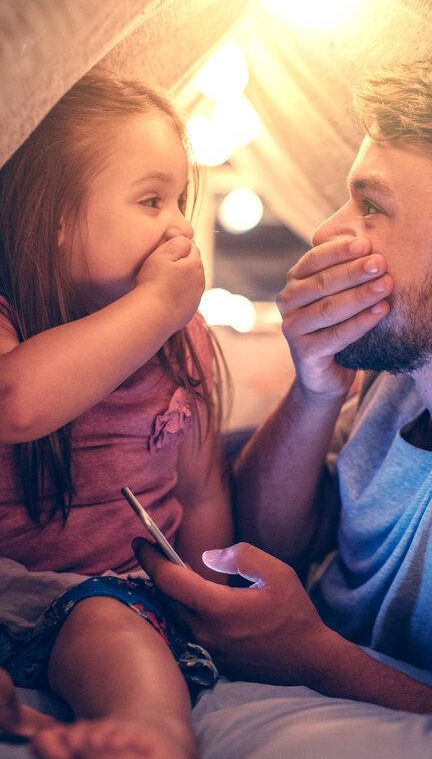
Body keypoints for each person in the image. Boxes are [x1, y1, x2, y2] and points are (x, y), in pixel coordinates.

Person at [135, 54, 432, 740]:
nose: (327, 230)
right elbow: (276, 539)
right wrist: (316, 389)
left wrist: (311, 656)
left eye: (371, 205)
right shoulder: (408, 362)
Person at [0, 70, 233, 758]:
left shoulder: (183, 342)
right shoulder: (9, 319)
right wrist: (157, 304)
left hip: (102, 595)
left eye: (182, 200)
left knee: (113, 632)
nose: (180, 225)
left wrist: (210, 598)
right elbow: (16, 401)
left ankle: (148, 735)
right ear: (59, 215)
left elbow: (201, 489)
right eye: (152, 199)